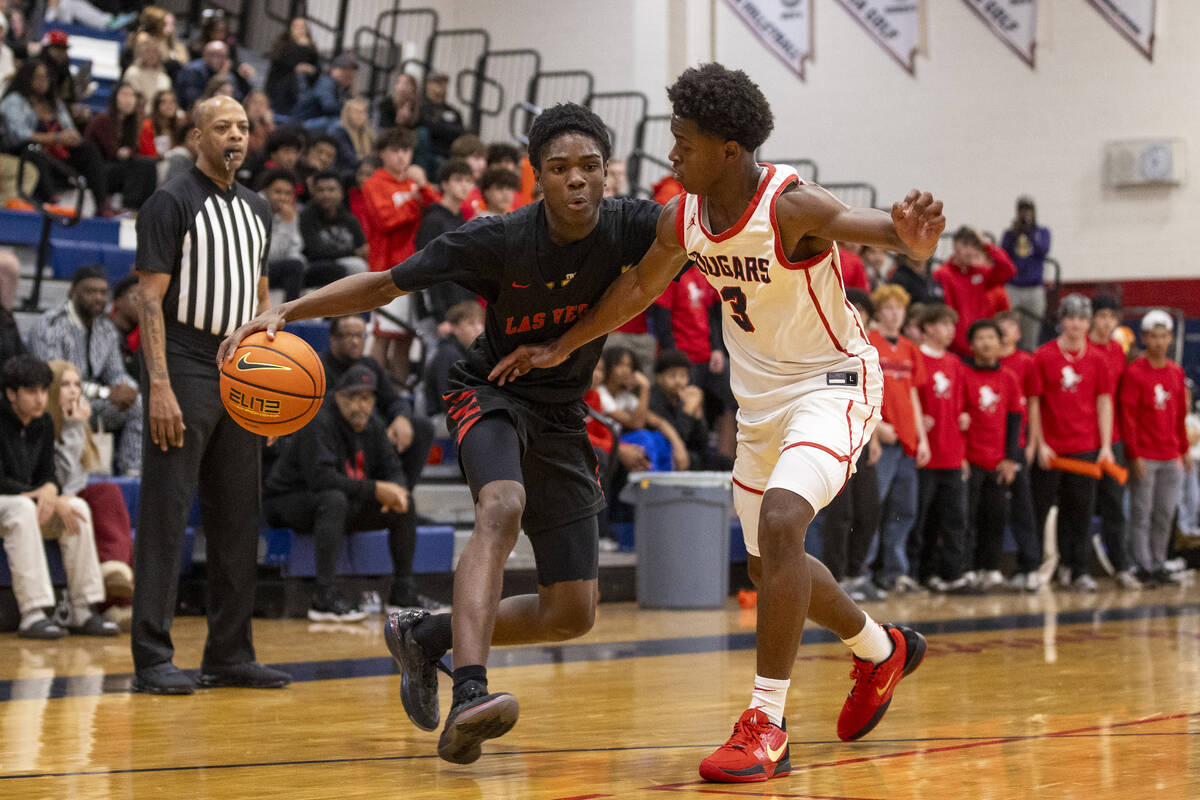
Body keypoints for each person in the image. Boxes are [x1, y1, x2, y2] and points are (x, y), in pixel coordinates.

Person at [488, 65, 944, 783]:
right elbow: (639, 285)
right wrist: (562, 344)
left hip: (833, 384)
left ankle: (766, 723)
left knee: (784, 523)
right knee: (772, 567)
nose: (672, 153)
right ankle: (881, 651)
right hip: (760, 404)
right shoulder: (687, 215)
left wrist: (908, 238)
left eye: (684, 141)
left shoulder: (790, 205)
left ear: (730, 149)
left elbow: (876, 228)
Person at [218, 103, 676, 765]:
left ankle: (422, 634)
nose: (576, 180)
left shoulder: (631, 222)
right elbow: (383, 285)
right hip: (487, 387)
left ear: (607, 173)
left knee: (573, 613)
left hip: (561, 410)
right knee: (502, 506)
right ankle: (470, 691)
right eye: (559, 168)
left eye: (589, 167)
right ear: (536, 178)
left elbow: (708, 224)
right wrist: (289, 308)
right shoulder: (496, 237)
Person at [131, 95, 290, 694]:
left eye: (243, 127)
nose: (235, 136)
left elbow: (259, 298)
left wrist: (268, 385)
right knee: (168, 514)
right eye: (222, 126)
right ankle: (152, 656)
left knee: (237, 518)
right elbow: (150, 300)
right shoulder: (170, 201)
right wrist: (160, 385)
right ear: (197, 135)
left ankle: (229, 653)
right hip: (184, 360)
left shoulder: (256, 209)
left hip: (238, 364)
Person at [264, 364, 414, 622]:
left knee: (405, 504)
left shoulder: (374, 425)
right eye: (353, 398)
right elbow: (321, 479)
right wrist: (377, 489)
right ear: (338, 396)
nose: (360, 406)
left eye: (366, 398)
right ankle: (324, 598)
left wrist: (396, 492)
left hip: (338, 503)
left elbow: (394, 470)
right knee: (334, 499)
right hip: (287, 501)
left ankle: (403, 593)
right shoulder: (319, 421)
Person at [0, 355, 116, 639]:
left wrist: (51, 491)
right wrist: (40, 494)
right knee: (22, 508)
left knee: (76, 507)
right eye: (31, 391)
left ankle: (83, 608)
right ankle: (32, 613)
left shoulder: (43, 422)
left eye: (42, 390)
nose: (40, 398)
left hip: (25, 501)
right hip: (12, 502)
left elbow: (48, 474)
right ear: (11, 394)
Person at [1028, 294, 1115, 593]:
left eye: (1082, 318)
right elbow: (1034, 403)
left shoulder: (1098, 359)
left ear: (1088, 323)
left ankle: (1076, 569)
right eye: (1071, 317)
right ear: (1061, 320)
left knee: (1080, 510)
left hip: (1085, 447)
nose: (1076, 324)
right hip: (1051, 448)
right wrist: (1039, 443)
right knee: (1042, 509)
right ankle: (1037, 569)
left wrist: (1104, 446)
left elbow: (1105, 403)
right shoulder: (1043, 355)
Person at [30, 266, 143, 475]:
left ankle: (132, 474)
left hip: (90, 403)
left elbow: (115, 371)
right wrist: (107, 393)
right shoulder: (51, 325)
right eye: (90, 291)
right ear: (72, 292)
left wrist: (128, 388)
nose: (98, 298)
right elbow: (55, 380)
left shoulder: (106, 328)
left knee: (138, 404)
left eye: (102, 292)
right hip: (55, 404)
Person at [47, 359, 135, 603]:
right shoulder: (42, 425)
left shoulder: (77, 423)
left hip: (70, 496)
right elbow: (66, 485)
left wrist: (77, 426)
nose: (74, 390)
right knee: (96, 499)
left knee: (108, 492)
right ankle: (114, 598)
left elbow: (79, 481)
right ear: (51, 389)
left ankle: (115, 573)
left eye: (77, 384)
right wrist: (74, 427)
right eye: (65, 384)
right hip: (49, 499)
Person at [362, 127, 438, 383]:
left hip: (416, 266)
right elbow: (385, 220)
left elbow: (438, 210)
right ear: (382, 153)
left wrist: (424, 187)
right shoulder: (374, 184)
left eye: (406, 150)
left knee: (405, 338)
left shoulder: (415, 182)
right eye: (395, 150)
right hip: (387, 269)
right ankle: (370, 388)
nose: (401, 157)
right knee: (384, 334)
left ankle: (399, 393)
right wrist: (414, 201)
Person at [868, 283, 930, 594]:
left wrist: (923, 439)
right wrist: (877, 426)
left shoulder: (909, 348)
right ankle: (862, 572)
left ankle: (894, 573)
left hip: (907, 440)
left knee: (904, 511)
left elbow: (914, 394)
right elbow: (859, 390)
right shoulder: (868, 343)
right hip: (883, 437)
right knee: (872, 508)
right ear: (878, 312)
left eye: (899, 308)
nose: (894, 314)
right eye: (888, 308)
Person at [1119, 310, 1188, 586]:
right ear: (1145, 339)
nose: (1159, 342)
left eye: (1164, 336)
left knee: (1164, 512)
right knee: (1141, 512)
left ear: (1170, 339)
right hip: (1145, 455)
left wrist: (1183, 449)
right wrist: (1134, 454)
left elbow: (1179, 413)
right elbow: (1129, 416)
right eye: (1154, 337)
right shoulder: (1135, 373)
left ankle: (1159, 563)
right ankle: (1141, 564)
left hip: (1170, 454)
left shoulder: (1175, 371)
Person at [823, 289, 883, 601]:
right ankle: (834, 577)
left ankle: (856, 574)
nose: (857, 315)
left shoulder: (870, 352)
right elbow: (834, 391)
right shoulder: (827, 346)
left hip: (862, 438)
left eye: (863, 311)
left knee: (869, 510)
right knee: (839, 513)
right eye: (852, 309)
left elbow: (869, 398)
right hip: (833, 439)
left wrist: (872, 435)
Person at [960, 320, 1024, 594]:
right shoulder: (963, 375)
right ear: (972, 345)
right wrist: (961, 456)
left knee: (996, 516)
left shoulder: (1008, 378)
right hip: (970, 460)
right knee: (968, 517)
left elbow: (1014, 420)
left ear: (1000, 343)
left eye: (991, 337)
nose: (986, 343)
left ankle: (992, 569)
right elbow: (957, 418)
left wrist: (1010, 458)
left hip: (998, 461)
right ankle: (969, 569)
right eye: (980, 338)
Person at [0, 59, 112, 214]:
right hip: (25, 152)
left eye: (46, 77)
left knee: (88, 150)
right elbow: (20, 135)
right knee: (33, 149)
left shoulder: (54, 103)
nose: (43, 81)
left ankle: (102, 203)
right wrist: (57, 137)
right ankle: (51, 200)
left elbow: (70, 130)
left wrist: (72, 137)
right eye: (38, 77)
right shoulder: (14, 101)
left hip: (57, 153)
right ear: (27, 78)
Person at [909, 304, 969, 591]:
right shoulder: (916, 357)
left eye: (952, 325)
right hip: (926, 454)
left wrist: (963, 452)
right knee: (923, 518)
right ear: (929, 327)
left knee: (954, 517)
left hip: (952, 453)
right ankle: (922, 572)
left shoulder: (955, 363)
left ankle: (953, 573)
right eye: (944, 325)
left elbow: (959, 407)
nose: (950, 331)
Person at [1088, 294, 1138, 588]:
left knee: (1115, 504)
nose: (1106, 322)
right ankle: (1075, 568)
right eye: (1101, 315)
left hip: (1113, 439)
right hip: (1082, 439)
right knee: (1080, 505)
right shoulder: (1082, 349)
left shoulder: (1118, 351)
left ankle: (1121, 565)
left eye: (1111, 316)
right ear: (1092, 318)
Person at [994, 310, 1042, 590]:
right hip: (988, 446)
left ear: (1018, 332)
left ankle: (1031, 565)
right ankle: (989, 567)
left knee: (1024, 507)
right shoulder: (986, 362)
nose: (1005, 331)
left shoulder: (1026, 362)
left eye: (1010, 326)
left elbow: (1034, 405)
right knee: (994, 508)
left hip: (1019, 444)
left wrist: (1034, 442)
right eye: (1000, 326)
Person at [933, 226, 1016, 357]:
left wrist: (987, 245)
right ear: (955, 245)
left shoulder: (981, 274)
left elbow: (1008, 270)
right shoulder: (942, 275)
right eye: (965, 245)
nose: (970, 250)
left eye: (974, 246)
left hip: (982, 345)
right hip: (956, 348)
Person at [416, 159, 476, 329]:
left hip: (461, 309)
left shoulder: (464, 222)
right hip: (438, 314)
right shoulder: (433, 221)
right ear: (444, 184)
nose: (464, 186)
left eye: (468, 181)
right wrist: (439, 317)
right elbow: (425, 269)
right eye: (458, 180)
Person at [649, 348, 733, 471]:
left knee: (724, 462)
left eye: (683, 375)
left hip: (689, 452)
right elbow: (678, 437)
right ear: (659, 377)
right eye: (672, 376)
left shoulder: (685, 397)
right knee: (693, 460)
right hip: (664, 455)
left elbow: (703, 444)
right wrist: (687, 410)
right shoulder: (653, 399)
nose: (678, 381)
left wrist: (698, 413)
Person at [83, 81, 159, 210]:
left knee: (149, 165)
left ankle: (143, 209)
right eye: (124, 95)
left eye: (132, 96)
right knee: (140, 166)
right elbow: (113, 152)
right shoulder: (102, 120)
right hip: (98, 171)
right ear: (114, 97)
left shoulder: (131, 125)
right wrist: (126, 153)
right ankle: (129, 207)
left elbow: (133, 150)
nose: (129, 100)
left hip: (119, 168)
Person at [299, 170, 369, 286]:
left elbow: (362, 248)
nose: (326, 194)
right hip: (316, 266)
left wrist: (361, 252)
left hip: (343, 264)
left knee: (362, 266)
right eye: (321, 190)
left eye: (331, 190)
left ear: (341, 192)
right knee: (352, 267)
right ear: (314, 192)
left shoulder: (349, 219)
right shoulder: (306, 216)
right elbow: (314, 252)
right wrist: (353, 252)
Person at [1001, 196, 1051, 351]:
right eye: (1022, 210)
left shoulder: (1042, 232)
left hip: (1034, 288)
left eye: (1027, 210)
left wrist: (1030, 233)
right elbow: (1003, 255)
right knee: (1009, 331)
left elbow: (1043, 251)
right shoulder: (1010, 234)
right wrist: (1015, 232)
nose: (1024, 214)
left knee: (1031, 333)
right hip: (1013, 287)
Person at [425, 301, 484, 415]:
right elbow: (448, 400)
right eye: (471, 323)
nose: (478, 328)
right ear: (455, 328)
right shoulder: (447, 354)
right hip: (443, 418)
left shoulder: (474, 353)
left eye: (480, 322)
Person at [258, 168, 307, 303]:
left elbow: (296, 248)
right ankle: (290, 315)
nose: (283, 198)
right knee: (295, 267)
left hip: (281, 267)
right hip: (257, 269)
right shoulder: (255, 209)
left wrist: (289, 222)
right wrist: (286, 224)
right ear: (266, 191)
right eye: (278, 192)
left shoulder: (289, 212)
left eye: (288, 193)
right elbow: (269, 254)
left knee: (334, 270)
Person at [264, 16, 319, 116]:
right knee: (299, 76)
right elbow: (290, 64)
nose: (300, 30)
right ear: (290, 29)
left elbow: (317, 68)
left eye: (303, 27)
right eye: (297, 27)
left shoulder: (311, 49)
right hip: (281, 89)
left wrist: (311, 70)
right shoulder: (282, 46)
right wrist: (302, 47)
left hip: (302, 88)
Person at [291, 53, 358, 133]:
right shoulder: (327, 82)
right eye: (344, 69)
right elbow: (328, 107)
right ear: (334, 70)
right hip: (303, 122)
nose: (349, 73)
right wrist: (349, 108)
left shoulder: (342, 88)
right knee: (338, 122)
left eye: (351, 70)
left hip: (314, 122)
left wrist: (351, 95)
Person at [174, 41, 244, 112]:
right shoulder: (193, 70)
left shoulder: (229, 75)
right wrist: (219, 78)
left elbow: (237, 99)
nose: (215, 59)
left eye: (220, 55)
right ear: (204, 54)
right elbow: (193, 98)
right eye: (211, 54)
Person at [416, 72, 465, 169]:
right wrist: (445, 128)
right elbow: (427, 127)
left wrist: (440, 126)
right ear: (428, 85)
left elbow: (460, 131)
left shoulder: (453, 111)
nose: (441, 87)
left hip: (449, 152)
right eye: (437, 83)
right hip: (430, 152)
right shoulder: (420, 107)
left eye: (444, 83)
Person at [122, 33, 172, 115]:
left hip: (158, 115)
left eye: (155, 52)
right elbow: (133, 98)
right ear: (141, 53)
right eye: (148, 51)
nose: (151, 55)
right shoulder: (132, 73)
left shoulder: (164, 78)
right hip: (135, 114)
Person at [332, 97, 374, 172]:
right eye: (356, 112)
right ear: (347, 114)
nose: (360, 115)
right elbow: (350, 160)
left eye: (363, 112)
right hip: (344, 172)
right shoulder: (339, 131)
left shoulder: (369, 133)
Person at [139, 89, 182, 159]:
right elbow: (149, 155)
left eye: (172, 102)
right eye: (163, 102)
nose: (169, 106)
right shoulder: (147, 125)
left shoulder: (178, 126)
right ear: (156, 106)